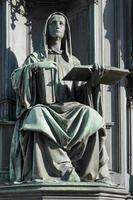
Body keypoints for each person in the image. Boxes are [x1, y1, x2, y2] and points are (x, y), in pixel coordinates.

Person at [10, 12, 110, 183]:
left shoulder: (73, 62)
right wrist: (35, 67)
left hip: (71, 108)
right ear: (46, 29)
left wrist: (93, 83)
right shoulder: (36, 57)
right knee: (36, 115)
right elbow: (15, 78)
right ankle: (64, 170)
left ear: (65, 31)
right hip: (47, 108)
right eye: (53, 23)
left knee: (92, 116)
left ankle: (88, 173)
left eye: (61, 24)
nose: (57, 26)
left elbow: (80, 94)